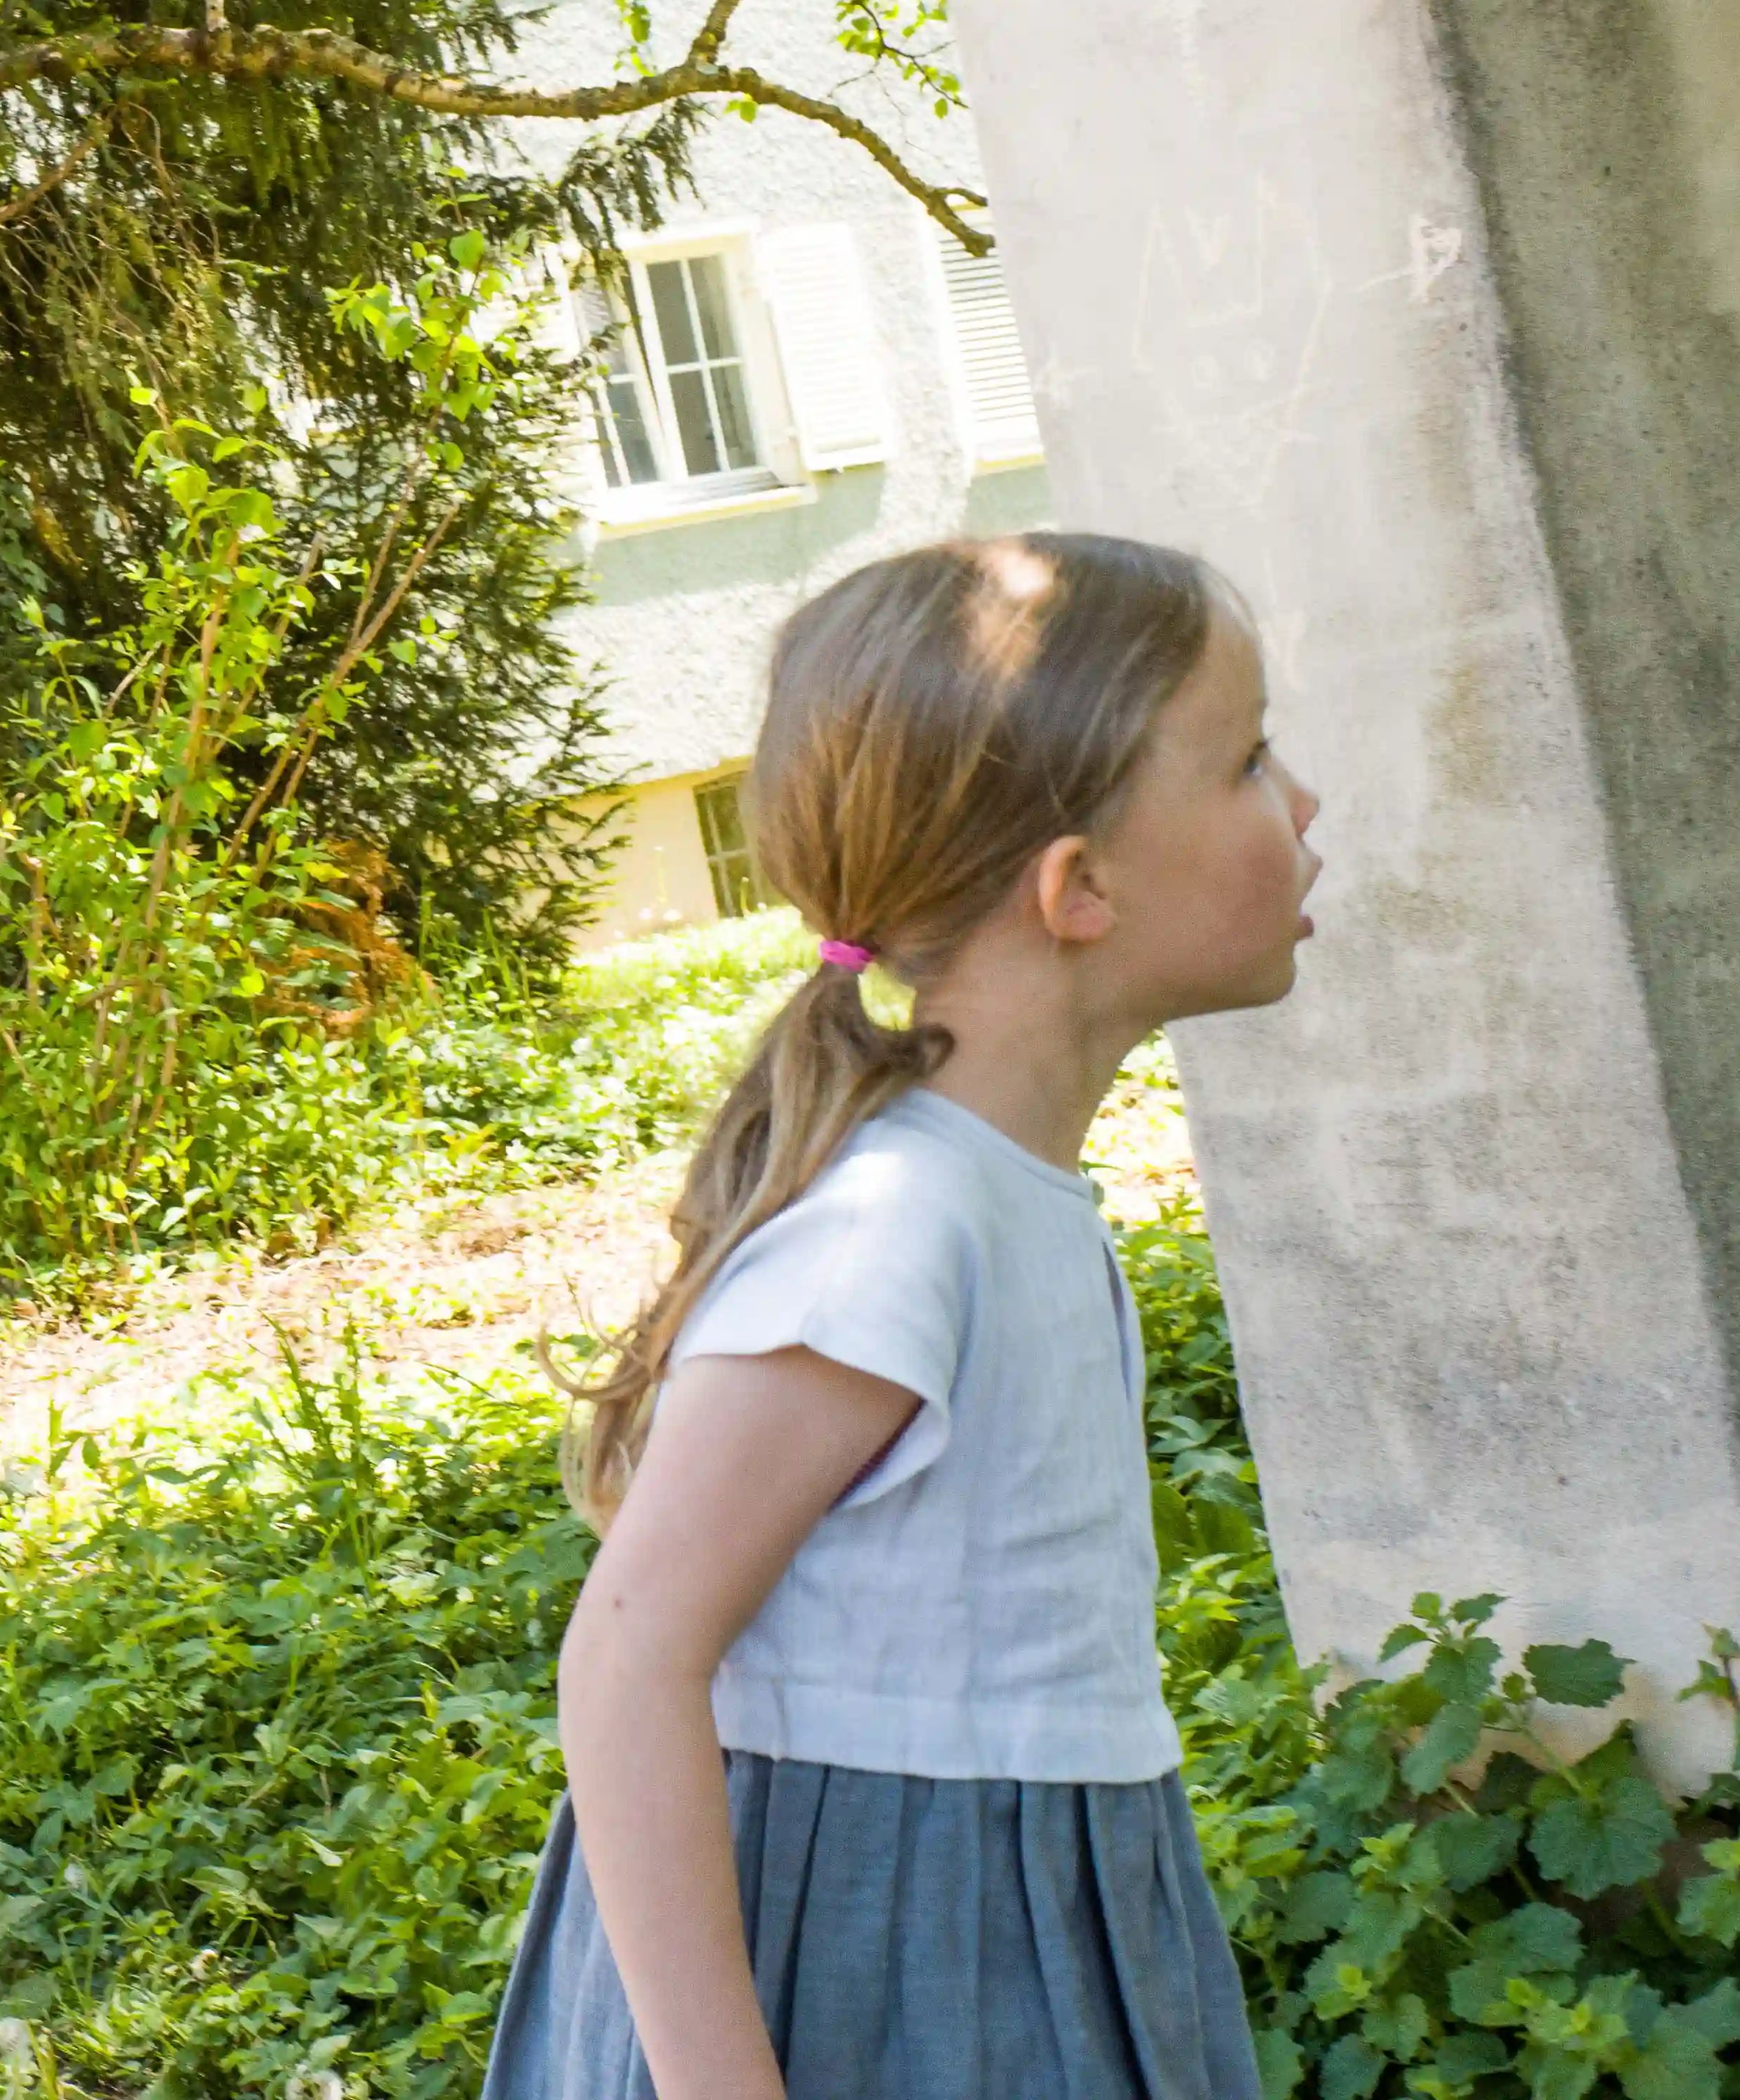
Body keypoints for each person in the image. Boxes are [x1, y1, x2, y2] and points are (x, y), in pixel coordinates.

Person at [488, 533, 1318, 2100]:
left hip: (1030, 1913)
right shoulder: (894, 1228)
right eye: (1253, 758)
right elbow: (630, 1658)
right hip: (874, 1964)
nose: (1306, 803)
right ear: (1080, 888)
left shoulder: (998, 1197)